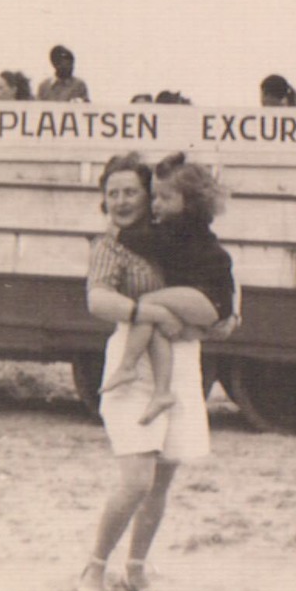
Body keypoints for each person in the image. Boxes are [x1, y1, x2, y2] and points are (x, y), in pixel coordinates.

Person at [76, 153, 234, 591]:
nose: (121, 201)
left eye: (131, 192)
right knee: (136, 479)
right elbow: (97, 300)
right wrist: (150, 312)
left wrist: (227, 316)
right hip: (134, 359)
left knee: (162, 480)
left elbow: (217, 289)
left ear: (149, 197)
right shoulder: (112, 245)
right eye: (112, 194)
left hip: (182, 362)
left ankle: (138, 568)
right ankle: (94, 566)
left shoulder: (172, 238)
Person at [100, 153, 235, 427]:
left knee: (148, 304)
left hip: (208, 299)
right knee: (161, 324)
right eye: (153, 198)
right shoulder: (194, 229)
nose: (156, 205)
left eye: (165, 198)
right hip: (212, 301)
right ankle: (162, 393)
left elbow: (151, 243)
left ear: (190, 203)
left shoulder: (180, 229)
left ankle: (127, 366)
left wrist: (117, 233)